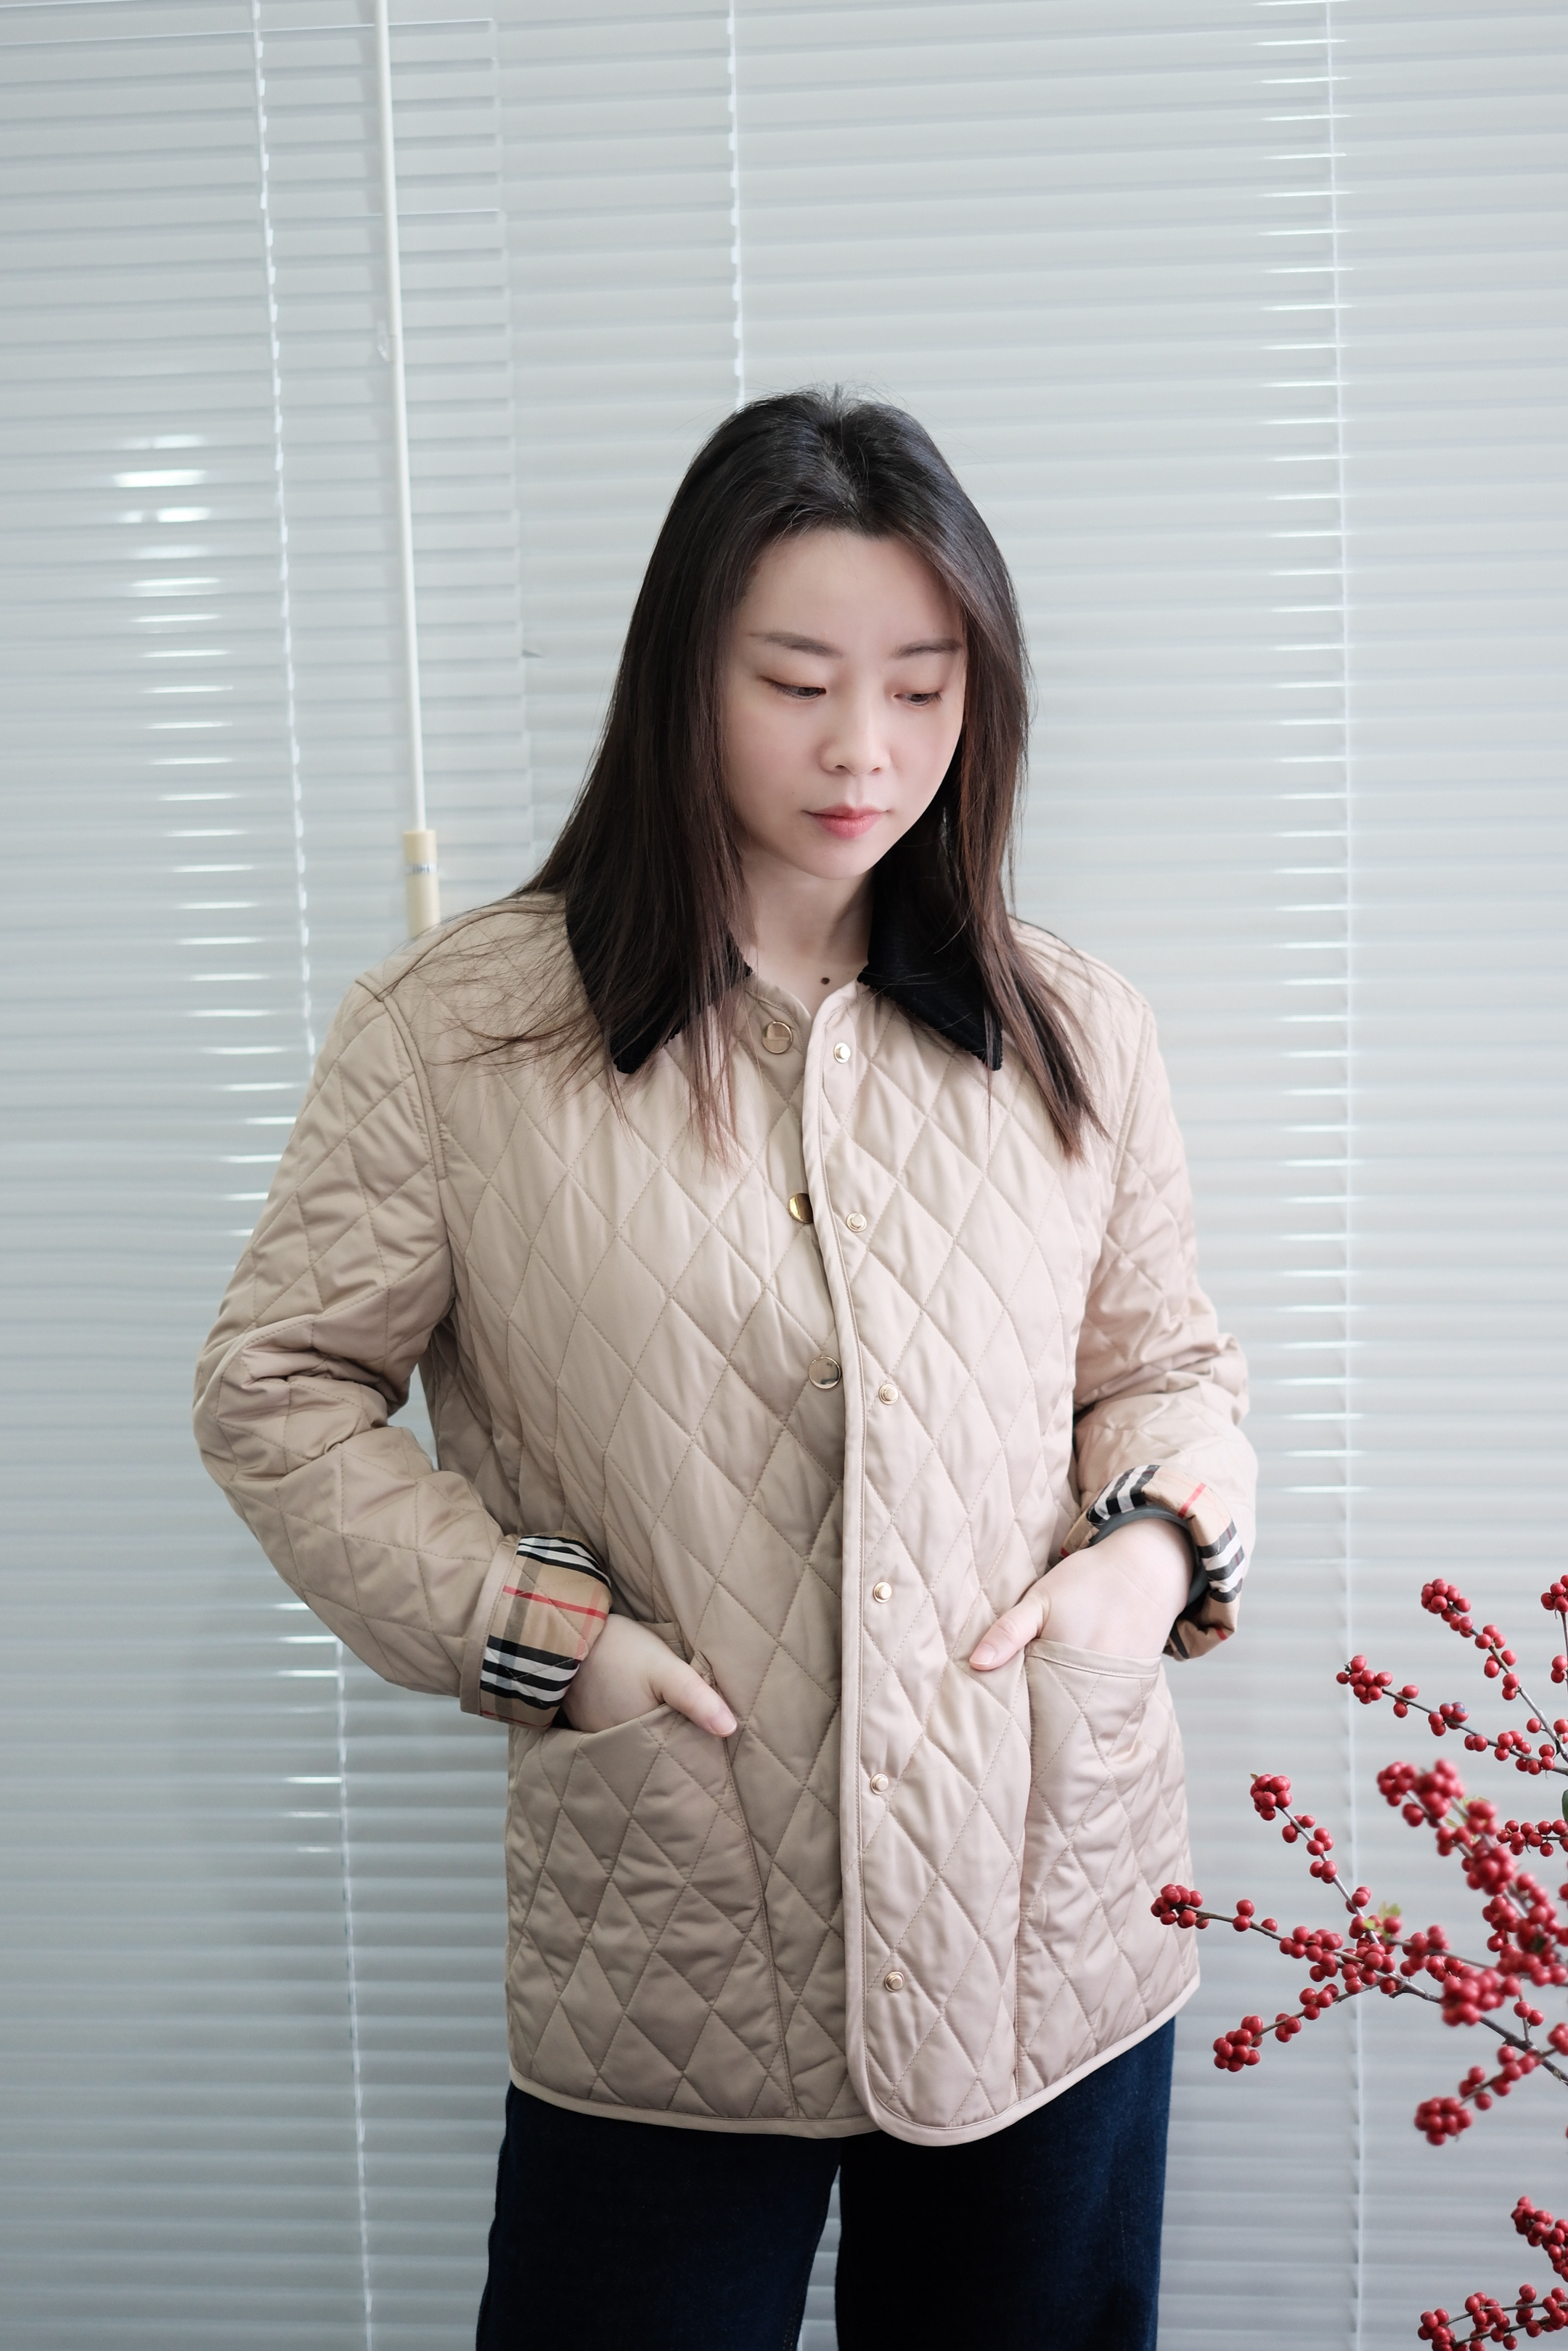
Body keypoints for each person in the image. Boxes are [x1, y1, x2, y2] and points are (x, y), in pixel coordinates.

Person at [195, 389, 1255, 2351]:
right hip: (670, 1920)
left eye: (923, 688)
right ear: (683, 676)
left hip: (1045, 1905)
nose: (866, 750)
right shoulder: (458, 1040)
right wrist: (545, 1636)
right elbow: (276, 1390)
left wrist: (1150, 1559)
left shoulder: (1071, 1028)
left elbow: (1169, 1369)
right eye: (796, 682)